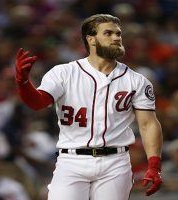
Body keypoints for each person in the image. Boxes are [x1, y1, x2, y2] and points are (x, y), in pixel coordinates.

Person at [14, 14, 163, 200]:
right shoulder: (64, 73)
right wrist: (23, 83)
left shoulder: (137, 81)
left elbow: (148, 124)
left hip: (115, 162)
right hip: (71, 160)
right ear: (91, 39)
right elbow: (38, 103)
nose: (116, 37)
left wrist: (154, 165)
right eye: (108, 33)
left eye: (118, 33)